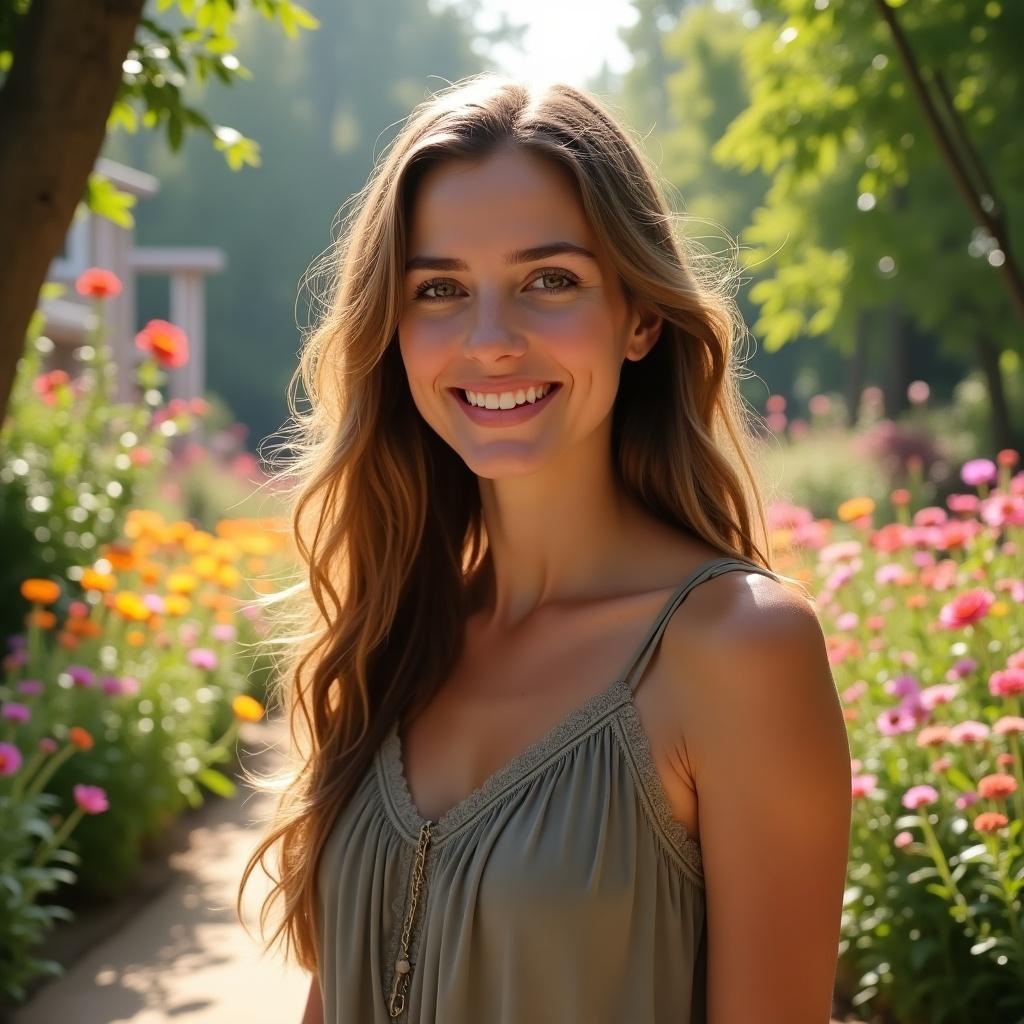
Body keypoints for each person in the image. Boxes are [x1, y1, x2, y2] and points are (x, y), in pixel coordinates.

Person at [238, 73, 852, 1024]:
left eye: (549, 281)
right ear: (393, 334)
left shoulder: (740, 650)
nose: (490, 341)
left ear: (640, 316)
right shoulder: (398, 632)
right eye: (439, 289)